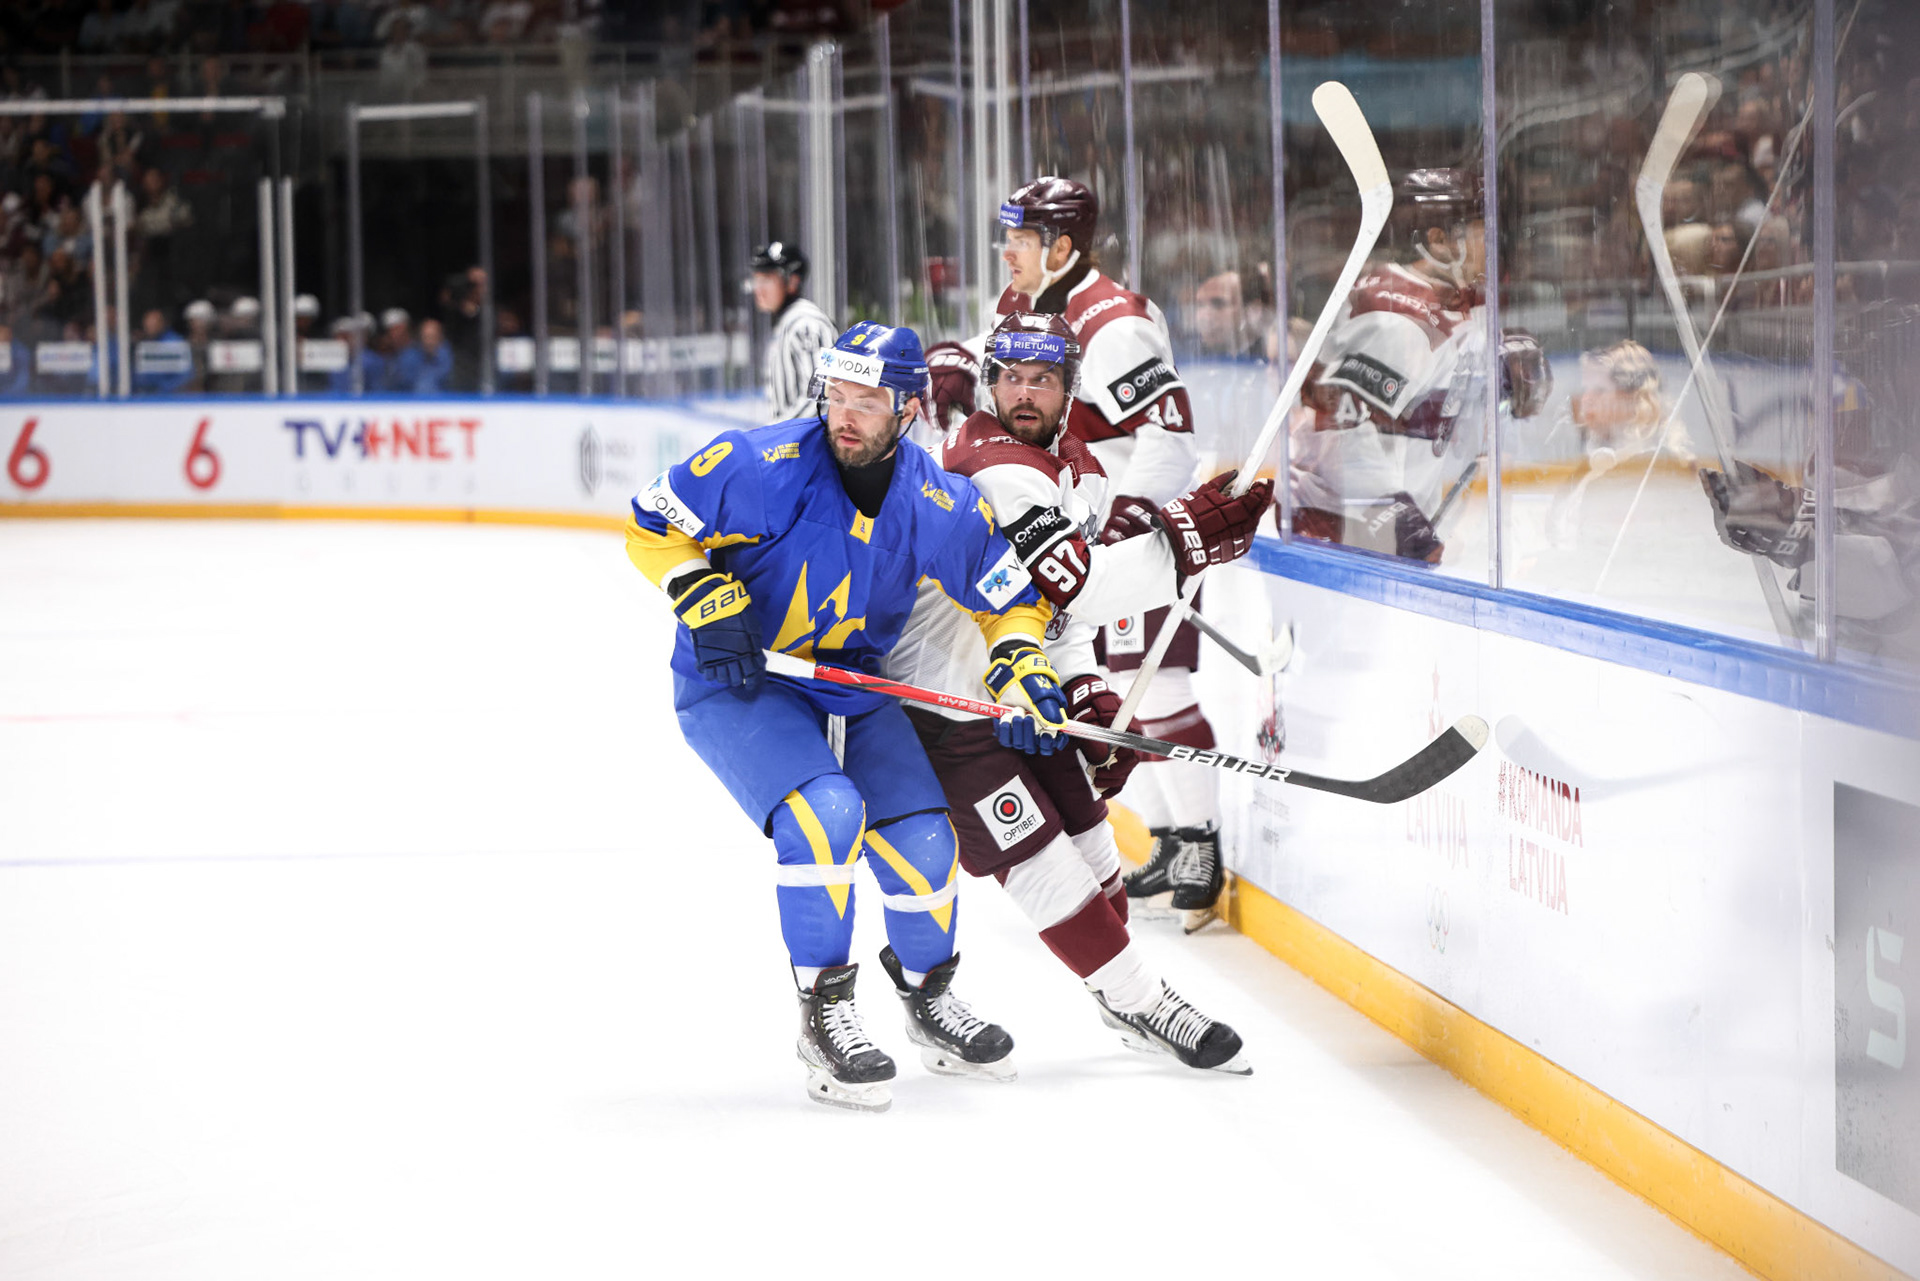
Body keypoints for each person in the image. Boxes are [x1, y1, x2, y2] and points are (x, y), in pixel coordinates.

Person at [623, 321, 1062, 1113]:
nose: (844, 415)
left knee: (927, 844)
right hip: (742, 681)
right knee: (826, 816)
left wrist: (1023, 661)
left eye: (867, 400)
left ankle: (930, 1000)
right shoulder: (760, 463)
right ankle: (823, 1013)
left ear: (909, 408)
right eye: (836, 395)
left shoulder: (937, 501)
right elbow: (651, 522)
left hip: (852, 687)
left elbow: (1007, 598)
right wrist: (697, 591)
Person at [887, 311, 1272, 1071]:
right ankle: (1145, 1001)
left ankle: (1117, 997)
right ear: (991, 383)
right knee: (1042, 865)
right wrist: (1184, 543)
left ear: (1070, 388)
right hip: (946, 700)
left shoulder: (1079, 466)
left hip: (1025, 683)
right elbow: (1083, 584)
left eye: (1044, 379)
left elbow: (1056, 611)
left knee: (1097, 855)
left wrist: (1087, 685)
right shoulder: (991, 466)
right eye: (1011, 378)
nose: (1024, 393)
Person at [959, 175, 1230, 927]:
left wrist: (1127, 528)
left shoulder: (1115, 325)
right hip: (1074, 527)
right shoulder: (1023, 306)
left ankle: (1203, 844)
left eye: (1019, 239)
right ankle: (1171, 838)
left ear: (1062, 248)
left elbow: (1170, 437)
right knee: (1112, 692)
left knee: (1158, 685)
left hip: (1133, 534)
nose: (1006, 252)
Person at [1291, 167, 1552, 564]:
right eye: (1487, 232)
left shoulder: (1458, 298)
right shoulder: (1396, 320)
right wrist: (1394, 517)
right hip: (1336, 532)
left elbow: (1432, 399)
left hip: (1384, 525)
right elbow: (1337, 428)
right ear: (1439, 241)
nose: (1502, 243)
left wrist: (1503, 375)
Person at [748, 240, 836, 421]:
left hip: (808, 438)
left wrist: (777, 432)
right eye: (757, 279)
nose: (759, 289)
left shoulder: (806, 323)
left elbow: (822, 396)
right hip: (795, 436)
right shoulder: (789, 322)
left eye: (767, 279)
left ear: (793, 281)